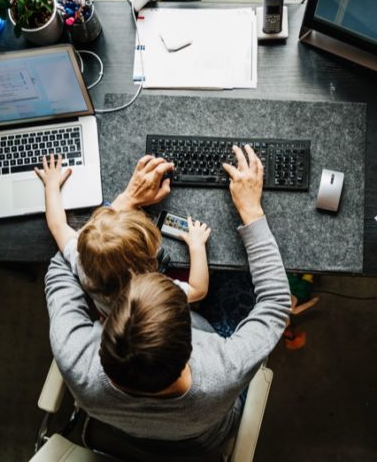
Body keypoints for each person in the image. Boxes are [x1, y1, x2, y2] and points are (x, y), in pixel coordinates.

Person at [44, 145, 291, 455]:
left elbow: (62, 266)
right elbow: (276, 303)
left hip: (124, 434)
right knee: (237, 278)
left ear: (104, 332)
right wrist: (251, 210)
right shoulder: (223, 370)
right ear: (191, 342)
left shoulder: (74, 359)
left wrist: (123, 204)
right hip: (205, 440)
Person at [35, 154, 211, 315]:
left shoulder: (81, 262)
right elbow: (198, 290)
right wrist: (197, 246)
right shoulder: (152, 290)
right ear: (149, 261)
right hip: (146, 312)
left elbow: (57, 225)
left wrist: (51, 186)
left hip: (110, 313)